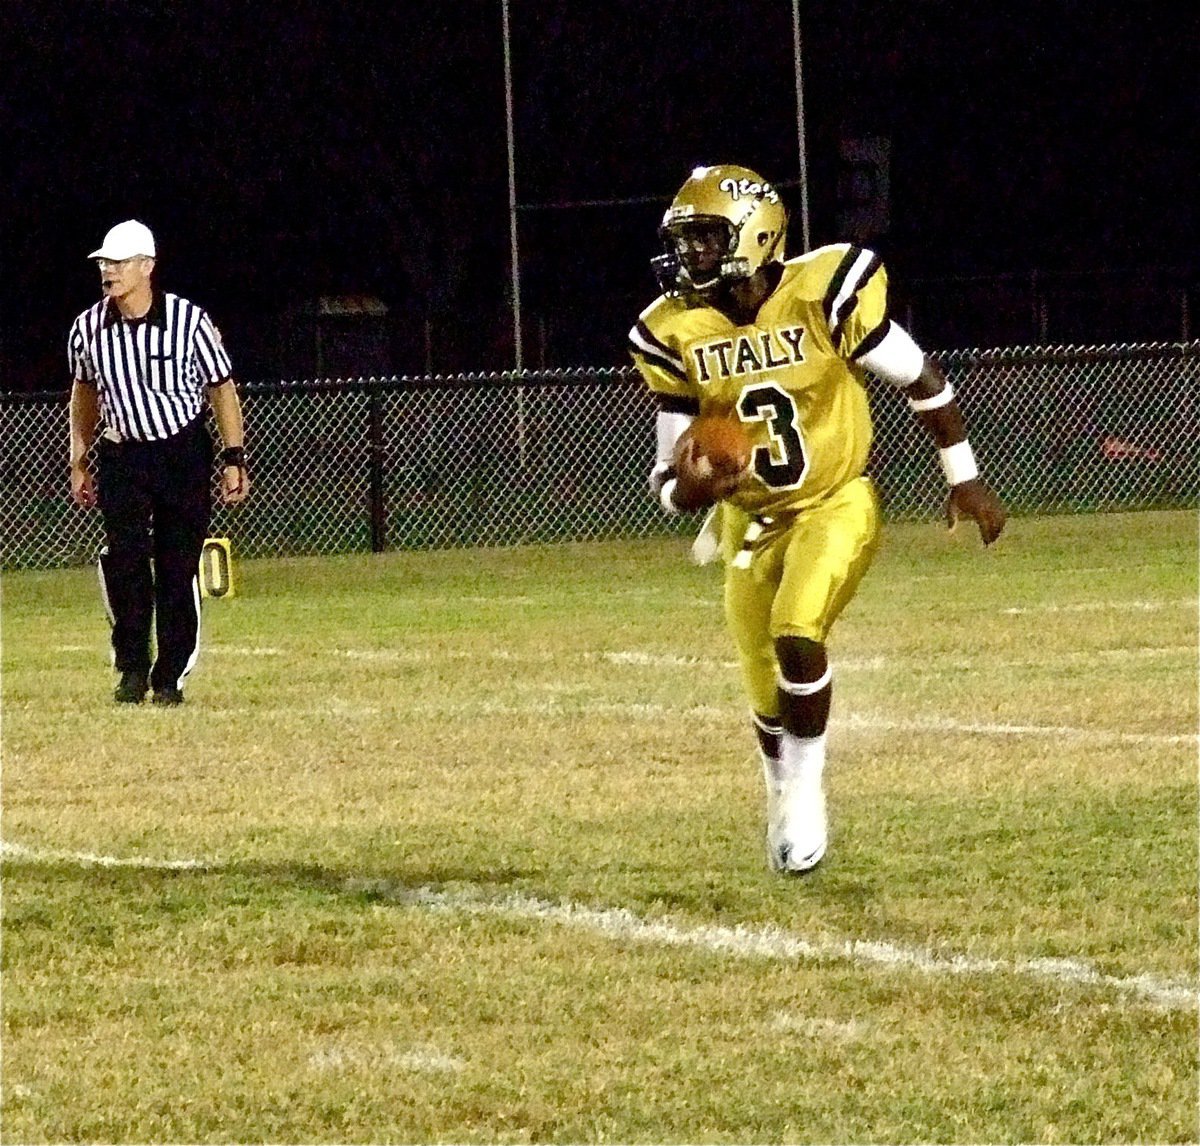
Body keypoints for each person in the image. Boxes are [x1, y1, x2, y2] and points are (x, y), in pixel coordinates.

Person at [628, 165, 1006, 873]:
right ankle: (778, 784)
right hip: (748, 521)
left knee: (797, 631)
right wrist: (698, 488)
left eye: (707, 239)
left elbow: (921, 376)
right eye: (686, 242)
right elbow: (666, 485)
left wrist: (967, 478)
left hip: (835, 499)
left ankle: (805, 792)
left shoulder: (825, 290)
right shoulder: (671, 330)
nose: (691, 256)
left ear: (757, 235)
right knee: (763, 683)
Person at [68, 219, 251, 705]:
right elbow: (83, 392)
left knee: (177, 565)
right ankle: (131, 666)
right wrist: (79, 457)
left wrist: (234, 456)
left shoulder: (189, 322)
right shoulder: (87, 328)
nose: (108, 271)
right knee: (125, 562)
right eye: (104, 263)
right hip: (123, 453)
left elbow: (221, 388)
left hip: (180, 452)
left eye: (118, 262)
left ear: (146, 267)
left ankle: (169, 674)